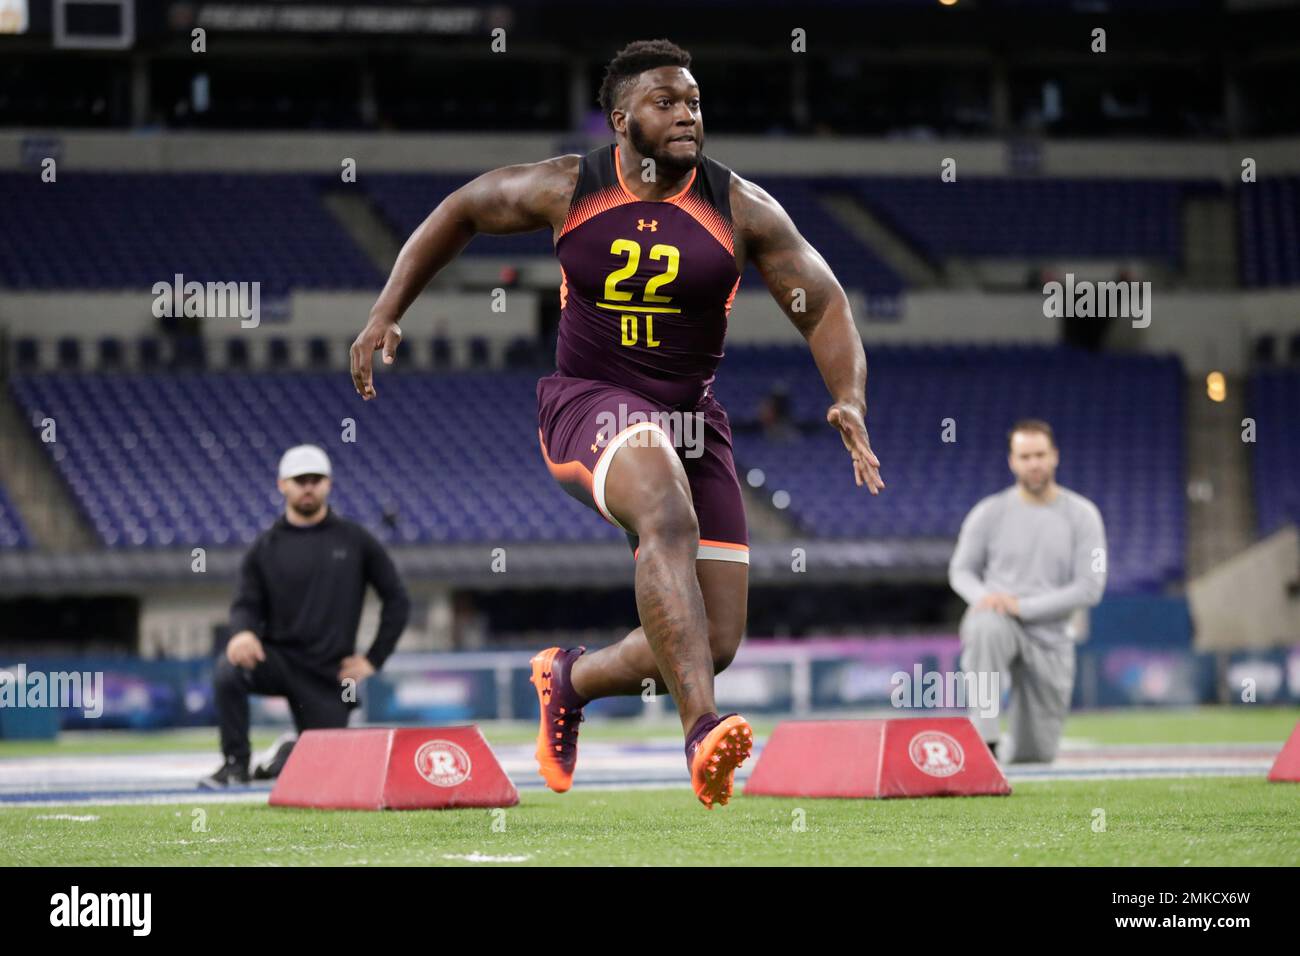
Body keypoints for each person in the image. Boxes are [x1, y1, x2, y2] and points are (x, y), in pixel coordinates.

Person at [349, 39, 884, 808]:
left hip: (691, 420)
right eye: (667, 103)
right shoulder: (570, 187)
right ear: (620, 117)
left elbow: (826, 303)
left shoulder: (741, 207)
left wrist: (848, 396)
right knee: (666, 511)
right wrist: (385, 313)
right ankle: (702, 733)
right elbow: (460, 210)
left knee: (716, 641)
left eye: (694, 102)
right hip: (588, 403)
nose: (687, 115)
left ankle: (571, 677)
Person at [200, 444, 411, 788]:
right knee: (229, 670)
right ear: (283, 485)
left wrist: (373, 660)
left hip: (331, 674)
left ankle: (289, 755)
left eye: (316, 479)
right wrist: (243, 633)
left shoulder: (357, 540)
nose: (308, 486)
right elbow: (246, 603)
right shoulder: (265, 547)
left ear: (328, 483)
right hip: (278, 659)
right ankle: (235, 764)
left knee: (331, 775)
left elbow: (397, 599)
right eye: (300, 480)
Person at [948, 419, 1107, 764]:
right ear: (1012, 461)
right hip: (1001, 622)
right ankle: (984, 741)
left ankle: (1018, 747)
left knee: (1034, 756)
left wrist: (1022, 606)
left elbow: (1090, 588)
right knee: (983, 624)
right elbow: (960, 571)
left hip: (1051, 639)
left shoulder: (1085, 516)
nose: (1033, 463)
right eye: (1025, 456)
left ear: (1054, 457)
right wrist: (983, 598)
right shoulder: (987, 513)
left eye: (1039, 455)